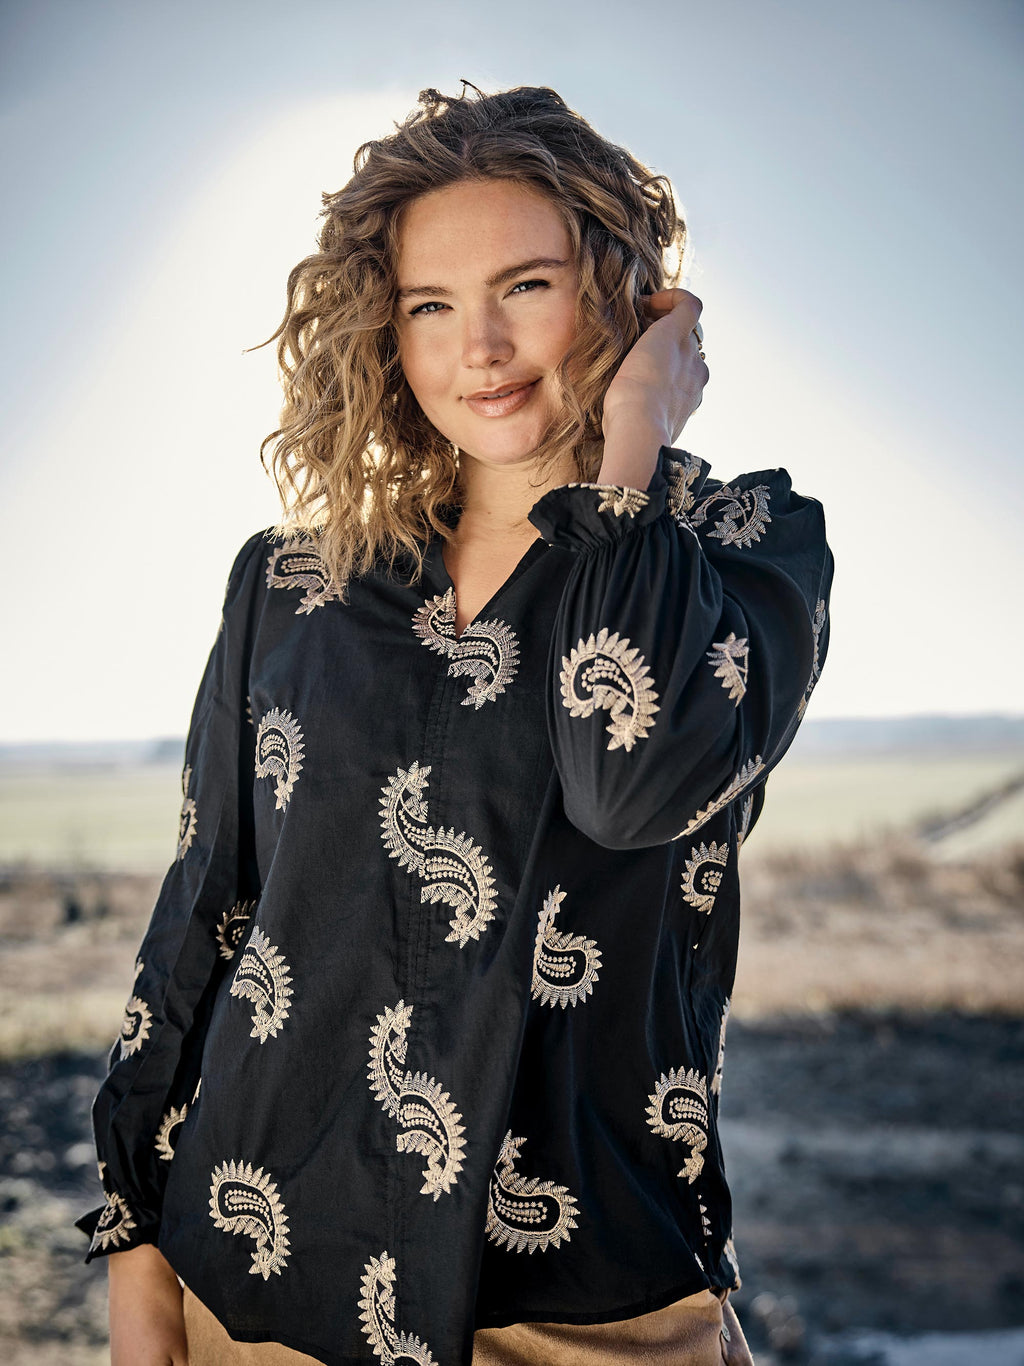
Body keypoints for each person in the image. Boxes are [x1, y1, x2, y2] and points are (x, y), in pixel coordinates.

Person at [74, 82, 833, 1366]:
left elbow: (628, 784)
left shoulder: (743, 550)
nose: (477, 346)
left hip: (581, 1309)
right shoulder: (291, 583)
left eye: (525, 286)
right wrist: (136, 1239)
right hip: (260, 1289)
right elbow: (207, 908)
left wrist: (633, 448)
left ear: (622, 291)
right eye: (431, 304)